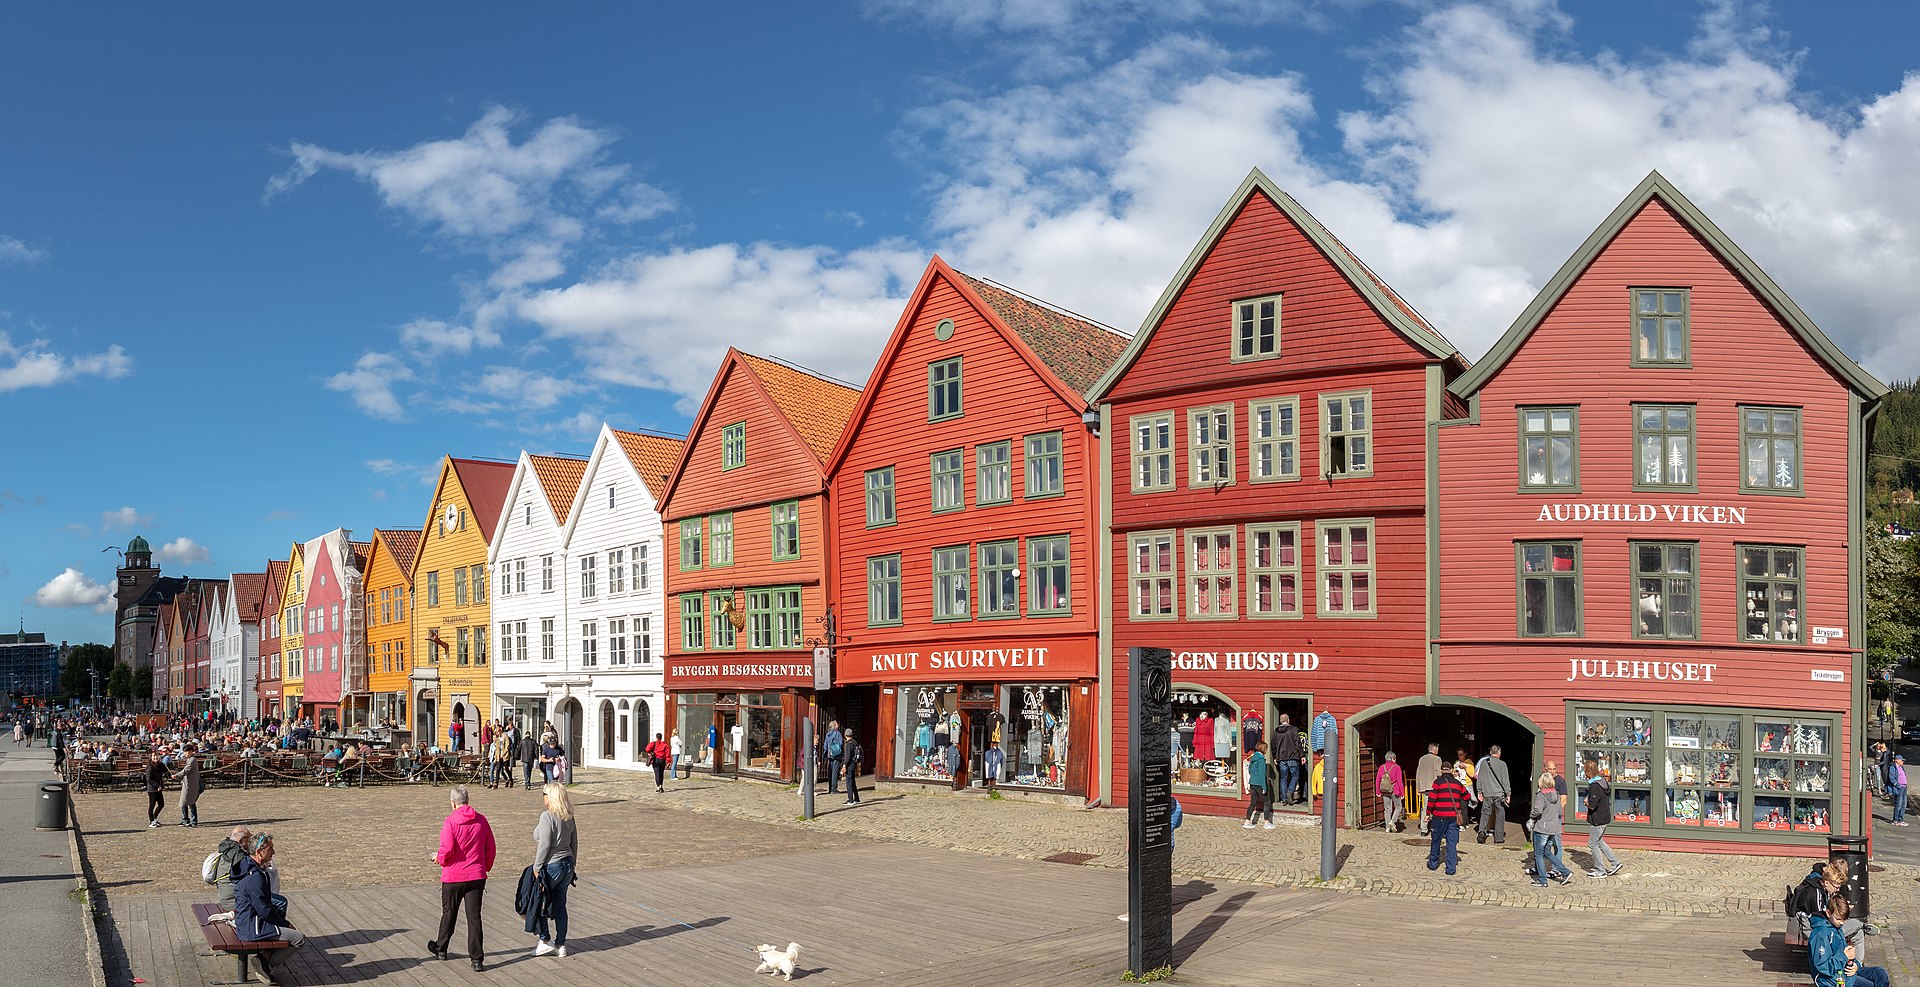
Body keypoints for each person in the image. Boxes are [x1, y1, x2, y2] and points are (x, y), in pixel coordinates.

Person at [427, 785, 497, 971]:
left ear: (453, 803)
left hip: (453, 876)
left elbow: (447, 848)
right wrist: (485, 867)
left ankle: (441, 948)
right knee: (474, 917)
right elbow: (490, 847)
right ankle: (476, 958)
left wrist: (439, 858)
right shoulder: (481, 820)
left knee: (449, 913)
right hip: (476, 875)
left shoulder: (450, 822)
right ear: (467, 800)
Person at [233, 834, 305, 980]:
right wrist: (285, 924)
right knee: (299, 938)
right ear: (260, 852)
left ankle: (265, 956)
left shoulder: (248, 866)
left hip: (246, 921)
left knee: (280, 908)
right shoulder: (255, 878)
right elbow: (264, 910)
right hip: (253, 927)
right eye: (270, 848)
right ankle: (264, 962)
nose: (273, 852)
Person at [529, 782, 578, 958]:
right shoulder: (568, 816)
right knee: (560, 904)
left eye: (544, 794)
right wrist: (573, 864)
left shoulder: (547, 816)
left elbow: (544, 844)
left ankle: (544, 939)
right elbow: (574, 842)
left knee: (539, 901)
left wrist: (537, 867)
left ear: (551, 797)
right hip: (567, 863)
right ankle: (561, 943)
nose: (543, 797)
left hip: (552, 864)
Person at [1811, 896, 1890, 987]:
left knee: (1880, 973)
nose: (1841, 923)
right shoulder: (1821, 934)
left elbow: (1845, 953)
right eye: (1838, 919)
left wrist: (1856, 965)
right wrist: (1844, 956)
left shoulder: (1835, 928)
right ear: (1828, 913)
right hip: (1832, 979)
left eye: (1844, 919)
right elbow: (1822, 967)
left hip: (1845, 969)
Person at [1423, 758, 1471, 875]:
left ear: (1441, 771)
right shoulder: (1458, 784)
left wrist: (1428, 813)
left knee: (1436, 841)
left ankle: (1433, 864)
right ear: (1451, 770)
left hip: (1439, 817)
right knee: (1451, 843)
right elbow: (1467, 796)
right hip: (1453, 817)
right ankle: (1450, 869)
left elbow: (1432, 800)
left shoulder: (1437, 783)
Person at [1528, 771, 1573, 886]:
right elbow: (1559, 811)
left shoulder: (1541, 795)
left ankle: (1542, 880)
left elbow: (1537, 810)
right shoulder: (1557, 795)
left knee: (1539, 854)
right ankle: (1565, 872)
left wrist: (1532, 816)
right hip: (1553, 828)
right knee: (1547, 852)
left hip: (1542, 828)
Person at [1582, 758, 1623, 877]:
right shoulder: (1602, 780)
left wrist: (1586, 801)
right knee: (1599, 841)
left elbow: (1593, 805)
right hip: (1605, 816)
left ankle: (1600, 870)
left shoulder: (1595, 786)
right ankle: (1615, 863)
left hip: (1598, 819)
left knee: (1592, 843)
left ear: (1588, 771)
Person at [1474, 745, 1512, 844]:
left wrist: (1479, 791)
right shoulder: (1502, 764)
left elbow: (1480, 778)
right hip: (1499, 794)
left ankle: (1482, 832)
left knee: (1485, 813)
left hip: (1487, 793)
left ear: (1490, 752)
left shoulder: (1483, 763)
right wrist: (1508, 794)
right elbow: (1505, 781)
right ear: (1499, 753)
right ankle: (1498, 838)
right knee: (1500, 814)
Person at [213, 825, 254, 908]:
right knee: (277, 903)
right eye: (249, 838)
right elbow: (250, 879)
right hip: (233, 901)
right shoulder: (238, 856)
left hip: (225, 897)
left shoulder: (227, 848)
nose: (251, 841)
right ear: (241, 841)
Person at [1272, 714, 1304, 805]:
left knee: (1283, 778)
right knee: (1295, 775)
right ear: (1288, 720)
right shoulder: (1293, 729)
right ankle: (1290, 791)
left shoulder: (1276, 732)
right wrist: (1302, 755)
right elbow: (1298, 743)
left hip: (1281, 758)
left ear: (1280, 721)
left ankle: (1284, 799)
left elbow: (1273, 745)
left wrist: (1275, 756)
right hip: (1293, 757)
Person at [1414, 743, 1443, 835]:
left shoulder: (1422, 759)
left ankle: (1424, 828)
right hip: (1434, 787)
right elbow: (1439, 773)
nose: (1438, 751)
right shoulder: (1437, 759)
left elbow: (1418, 773)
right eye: (1437, 749)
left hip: (1424, 787)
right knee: (1436, 807)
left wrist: (1418, 787)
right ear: (1434, 750)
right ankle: (1436, 827)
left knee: (1426, 807)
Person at [1244, 741, 1272, 829]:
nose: (1267, 750)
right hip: (1259, 784)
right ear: (1263, 749)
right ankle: (1267, 823)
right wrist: (1264, 787)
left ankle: (1247, 822)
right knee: (1267, 802)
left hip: (1252, 783)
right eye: (1266, 748)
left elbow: (1250, 771)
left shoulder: (1253, 758)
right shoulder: (1261, 760)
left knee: (1252, 803)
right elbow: (1262, 775)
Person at [172, 747, 203, 827]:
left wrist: (176, 775)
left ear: (191, 751)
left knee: (191, 802)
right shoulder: (189, 759)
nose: (184, 753)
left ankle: (193, 821)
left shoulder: (192, 760)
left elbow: (186, 770)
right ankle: (185, 819)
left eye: (186, 752)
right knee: (184, 802)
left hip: (191, 785)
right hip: (187, 784)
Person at [1376, 751, 1404, 832]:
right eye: (1395, 758)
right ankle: (1392, 822)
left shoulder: (1381, 767)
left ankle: (1387, 827)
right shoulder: (1397, 767)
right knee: (1398, 806)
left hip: (1384, 791)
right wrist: (1402, 793)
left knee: (1387, 809)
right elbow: (1399, 780)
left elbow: (1378, 779)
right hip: (1395, 790)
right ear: (1393, 759)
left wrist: (1378, 792)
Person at [144, 750, 167, 829]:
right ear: (151, 758)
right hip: (152, 789)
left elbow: (165, 770)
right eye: (154, 756)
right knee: (152, 806)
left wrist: (162, 763)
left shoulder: (159, 765)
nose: (155, 757)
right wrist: (157, 785)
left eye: (156, 756)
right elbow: (148, 779)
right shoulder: (150, 767)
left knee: (161, 804)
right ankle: (151, 821)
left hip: (159, 788)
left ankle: (154, 818)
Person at [841, 728, 863, 805]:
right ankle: (856, 798)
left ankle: (850, 800)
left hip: (849, 764)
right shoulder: (854, 743)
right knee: (853, 781)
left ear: (845, 735)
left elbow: (847, 756)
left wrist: (844, 765)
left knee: (849, 782)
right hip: (854, 764)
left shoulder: (848, 744)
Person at [823, 719, 844, 795]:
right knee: (835, 772)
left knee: (830, 771)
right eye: (837, 724)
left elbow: (825, 745)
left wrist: (825, 755)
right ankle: (834, 789)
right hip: (837, 755)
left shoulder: (828, 734)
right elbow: (841, 743)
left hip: (830, 755)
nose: (838, 725)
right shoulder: (837, 733)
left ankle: (830, 788)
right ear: (835, 726)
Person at [1889, 754, 1908, 826]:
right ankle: (1895, 820)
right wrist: (1897, 785)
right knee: (1898, 804)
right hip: (1899, 788)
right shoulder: (1893, 767)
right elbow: (1891, 777)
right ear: (1897, 760)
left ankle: (1901, 820)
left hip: (1904, 787)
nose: (1903, 762)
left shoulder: (1901, 767)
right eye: (1902, 760)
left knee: (1904, 804)